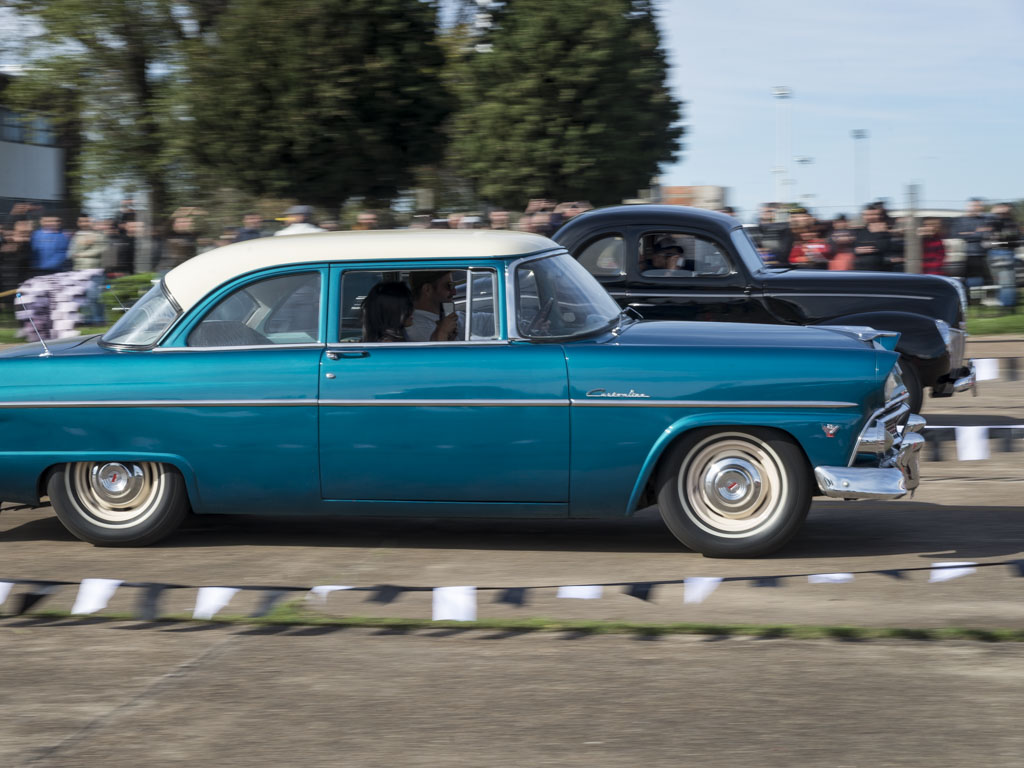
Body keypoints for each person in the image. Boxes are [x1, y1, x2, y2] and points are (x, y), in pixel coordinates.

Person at [406, 271, 459, 342]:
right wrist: (442, 334)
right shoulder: (417, 328)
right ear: (427, 289)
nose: (454, 292)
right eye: (449, 286)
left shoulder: (445, 317)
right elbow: (437, 353)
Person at [952, 198, 991, 285]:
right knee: (971, 279)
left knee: (980, 280)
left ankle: (976, 296)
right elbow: (957, 234)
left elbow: (987, 233)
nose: (978, 208)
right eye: (975, 206)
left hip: (982, 254)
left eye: (979, 206)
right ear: (968, 207)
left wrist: (971, 233)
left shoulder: (984, 219)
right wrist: (977, 232)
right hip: (968, 255)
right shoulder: (961, 220)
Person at [852, 203, 890, 271]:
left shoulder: (885, 230)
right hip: (860, 270)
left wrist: (880, 233)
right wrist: (856, 251)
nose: (872, 217)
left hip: (880, 270)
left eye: (875, 215)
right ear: (864, 216)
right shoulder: (859, 231)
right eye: (868, 215)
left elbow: (883, 247)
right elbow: (852, 247)